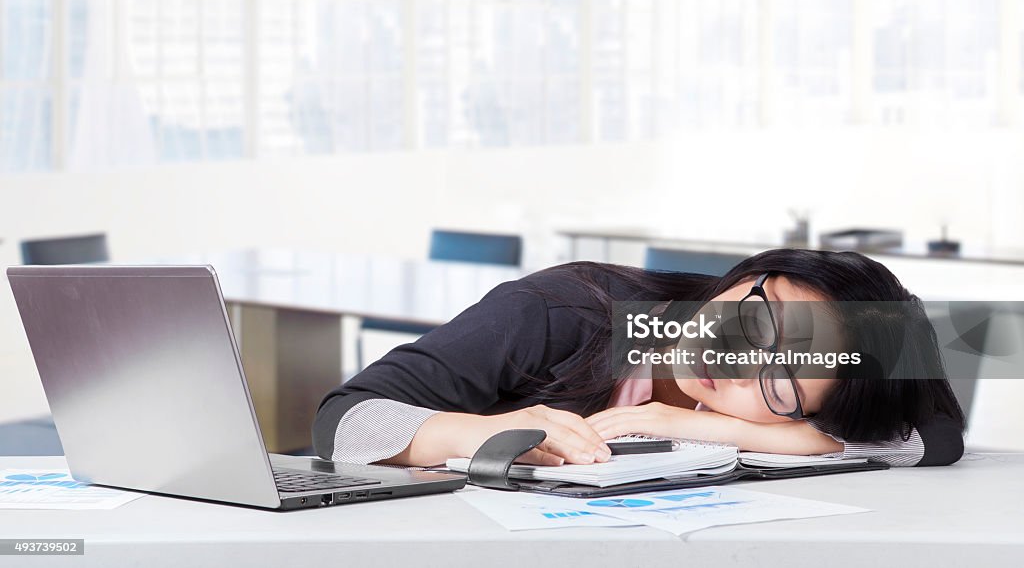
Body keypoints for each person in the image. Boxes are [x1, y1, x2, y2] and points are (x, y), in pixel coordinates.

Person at [312, 249, 966, 468]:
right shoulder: (563, 311)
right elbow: (340, 420)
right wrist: (480, 432)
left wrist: (722, 426)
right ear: (750, 274)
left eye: (778, 384)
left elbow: (935, 435)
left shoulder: (746, 414)